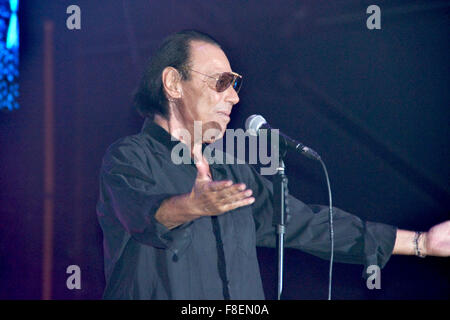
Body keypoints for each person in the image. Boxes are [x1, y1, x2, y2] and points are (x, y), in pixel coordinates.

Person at [96, 30, 450, 299]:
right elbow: (142, 216)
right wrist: (190, 206)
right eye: (221, 82)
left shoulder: (232, 171)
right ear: (174, 83)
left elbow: (310, 225)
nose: (233, 96)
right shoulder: (128, 157)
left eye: (235, 84)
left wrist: (422, 243)